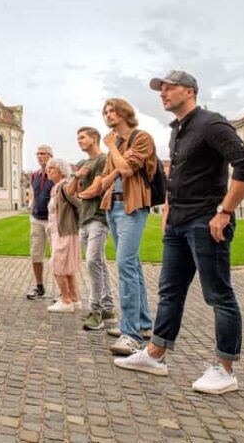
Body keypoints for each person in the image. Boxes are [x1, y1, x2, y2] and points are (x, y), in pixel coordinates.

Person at [114, 71, 244, 394]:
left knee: (218, 295)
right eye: (160, 89)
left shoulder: (211, 123)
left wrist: (224, 211)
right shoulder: (178, 130)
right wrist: (168, 207)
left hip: (206, 221)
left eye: (170, 88)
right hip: (178, 222)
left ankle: (225, 369)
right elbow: (181, 174)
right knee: (170, 291)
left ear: (190, 91)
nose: (162, 93)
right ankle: (155, 354)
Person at [97, 98, 159, 356]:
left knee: (125, 265)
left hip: (133, 208)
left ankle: (131, 333)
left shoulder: (141, 138)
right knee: (131, 265)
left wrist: (111, 147)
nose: (108, 115)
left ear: (124, 113)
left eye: (112, 110)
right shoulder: (120, 145)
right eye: (105, 112)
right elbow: (107, 179)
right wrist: (116, 162)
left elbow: (125, 168)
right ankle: (143, 325)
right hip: (114, 207)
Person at [72, 127, 116, 330]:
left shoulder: (103, 160)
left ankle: (95, 310)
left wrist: (81, 194)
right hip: (84, 219)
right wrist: (76, 177)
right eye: (78, 138)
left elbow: (95, 189)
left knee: (92, 262)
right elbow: (73, 190)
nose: (79, 141)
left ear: (94, 138)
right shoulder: (82, 164)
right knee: (99, 262)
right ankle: (108, 307)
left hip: (98, 217)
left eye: (82, 137)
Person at [44, 158, 82, 312]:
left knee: (57, 265)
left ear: (61, 171)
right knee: (67, 267)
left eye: (52, 168)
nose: (48, 171)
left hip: (65, 232)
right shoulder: (56, 188)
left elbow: (80, 203)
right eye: (48, 168)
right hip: (57, 233)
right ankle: (74, 299)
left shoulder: (65, 186)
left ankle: (66, 301)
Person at [26, 145, 54, 299]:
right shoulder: (35, 175)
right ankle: (39, 286)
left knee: (57, 256)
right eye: (37, 154)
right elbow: (33, 193)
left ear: (50, 155)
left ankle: (62, 291)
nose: (39, 156)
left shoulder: (55, 173)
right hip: (36, 219)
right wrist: (31, 207)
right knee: (35, 254)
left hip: (51, 219)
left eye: (42, 153)